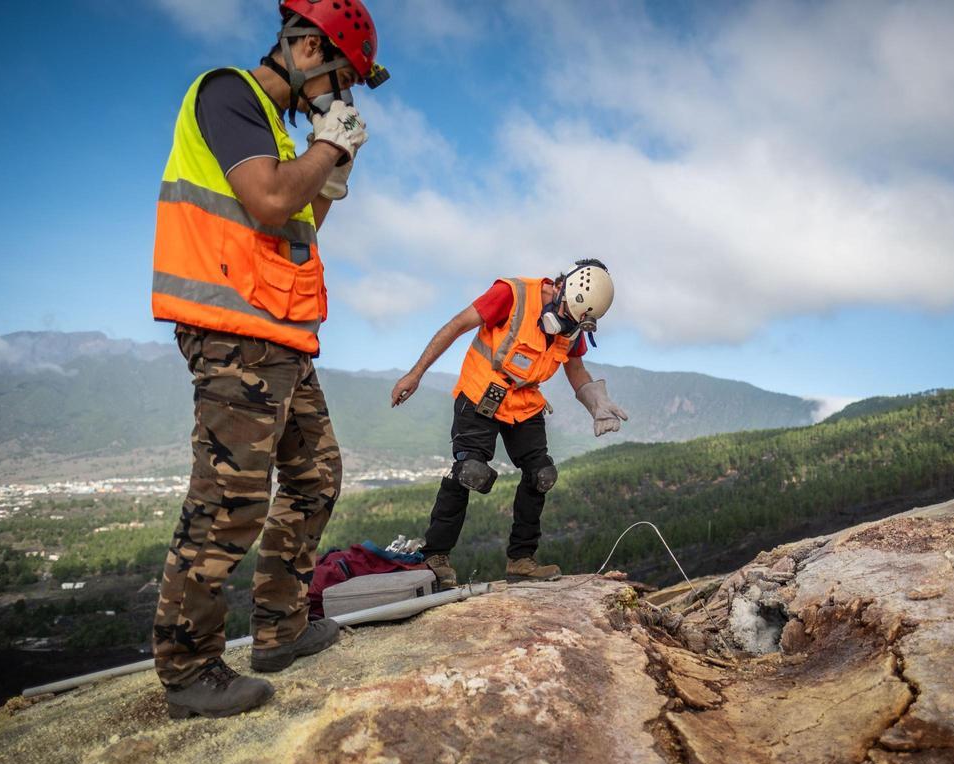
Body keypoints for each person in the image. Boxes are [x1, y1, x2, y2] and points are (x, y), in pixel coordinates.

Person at [150, 0, 389, 719]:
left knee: (317, 475)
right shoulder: (230, 93)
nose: (341, 98)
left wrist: (332, 172)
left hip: (277, 335)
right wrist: (326, 149)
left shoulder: (280, 134)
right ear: (308, 47)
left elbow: (297, 217)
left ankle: (280, 629)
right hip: (233, 332)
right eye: (340, 80)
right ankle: (189, 669)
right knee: (229, 503)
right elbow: (266, 201)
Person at [391, 260, 629, 588]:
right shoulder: (512, 294)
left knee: (541, 474)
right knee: (470, 471)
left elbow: (575, 369)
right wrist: (416, 373)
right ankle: (435, 556)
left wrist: (596, 404)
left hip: (524, 400)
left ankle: (521, 560)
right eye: (566, 316)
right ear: (562, 289)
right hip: (481, 391)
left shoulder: (573, 324)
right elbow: (456, 325)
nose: (565, 325)